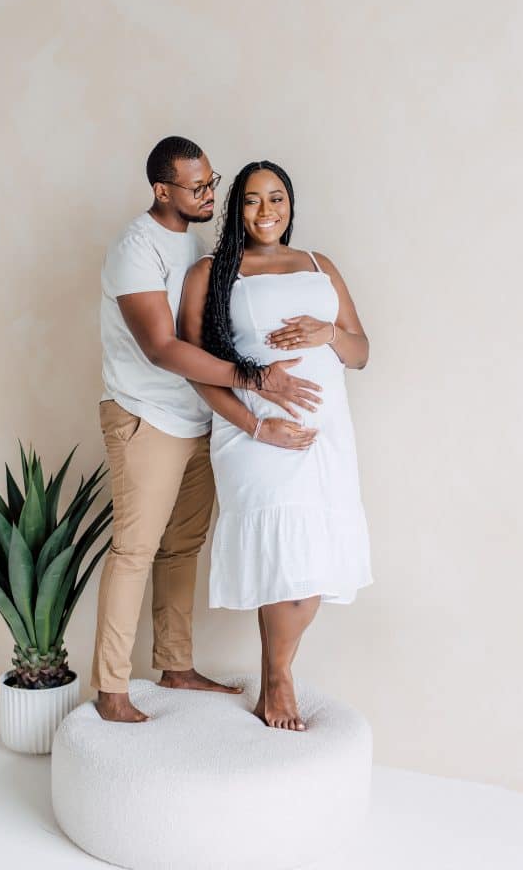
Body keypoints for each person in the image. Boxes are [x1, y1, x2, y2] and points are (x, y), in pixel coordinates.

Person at [91, 138, 323, 723]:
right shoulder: (135, 249)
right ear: (160, 190)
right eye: (198, 188)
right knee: (135, 550)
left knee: (181, 547)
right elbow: (164, 348)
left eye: (211, 182)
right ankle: (112, 689)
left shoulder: (195, 245)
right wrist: (254, 380)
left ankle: (175, 665)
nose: (209, 195)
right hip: (146, 415)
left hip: (200, 417)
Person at [179, 160, 373, 731]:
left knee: (310, 563)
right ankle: (280, 682)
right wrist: (257, 425)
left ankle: (273, 676)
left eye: (277, 198)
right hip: (257, 430)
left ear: (291, 204)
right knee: (282, 557)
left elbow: (361, 353)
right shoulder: (214, 273)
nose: (267, 211)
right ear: (236, 208)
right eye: (253, 200)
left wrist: (327, 333)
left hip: (325, 428)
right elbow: (198, 369)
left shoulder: (319, 264)